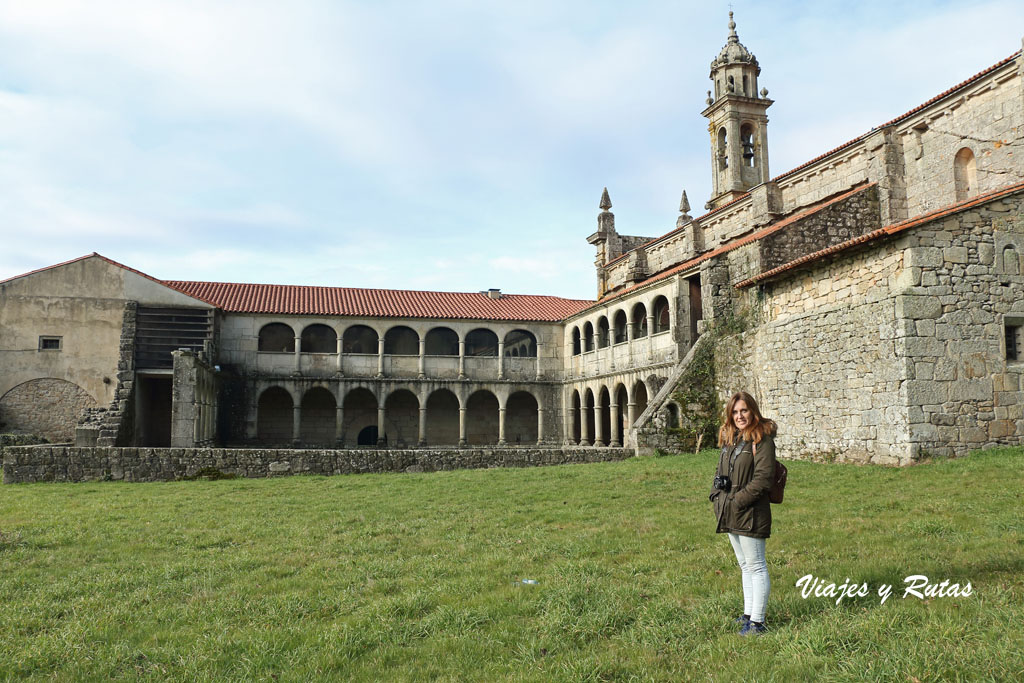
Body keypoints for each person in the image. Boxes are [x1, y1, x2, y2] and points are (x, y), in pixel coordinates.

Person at [710, 391, 778, 636]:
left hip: (750, 511)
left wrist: (737, 501)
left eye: (744, 411)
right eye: (735, 412)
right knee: (745, 566)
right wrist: (717, 497)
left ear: (753, 411)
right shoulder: (732, 439)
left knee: (757, 565)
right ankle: (749, 615)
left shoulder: (762, 440)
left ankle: (757, 623)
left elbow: (763, 480)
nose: (739, 416)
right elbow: (720, 474)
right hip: (730, 510)